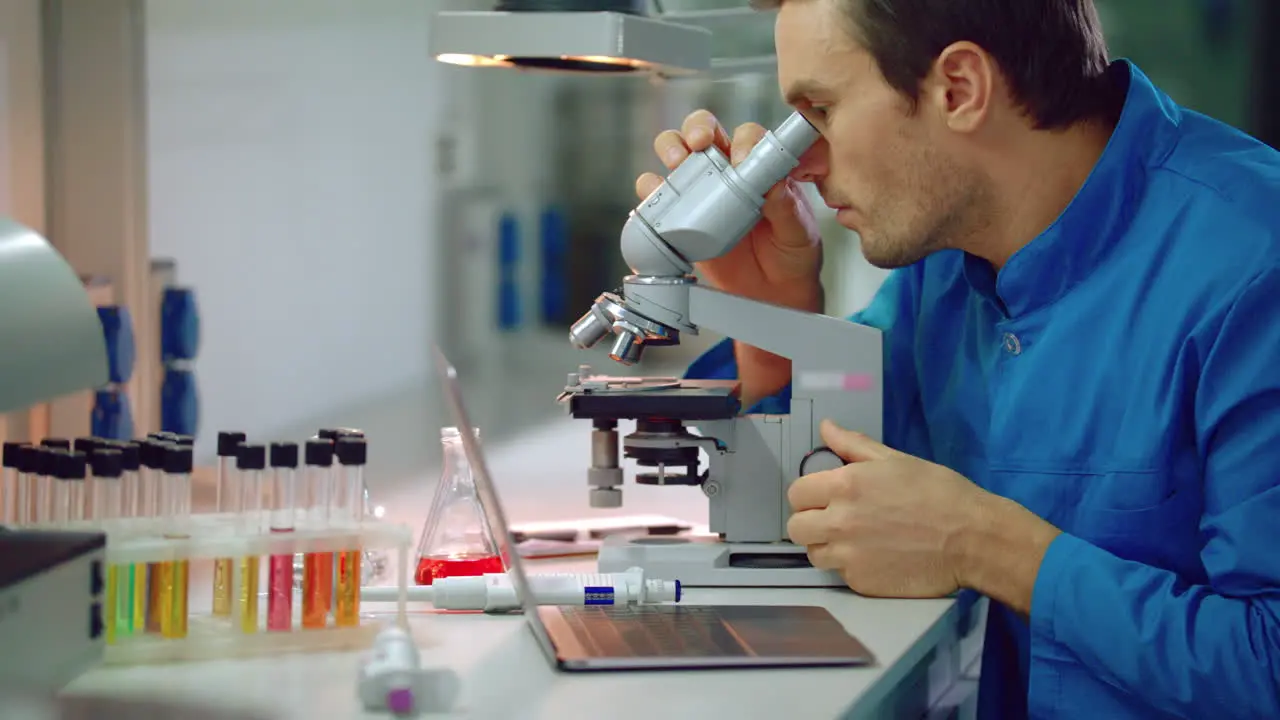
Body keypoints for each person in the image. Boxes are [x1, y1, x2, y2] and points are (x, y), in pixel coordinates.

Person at [636, 1, 1280, 718]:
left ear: (960, 89)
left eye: (820, 110)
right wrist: (773, 334)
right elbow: (818, 519)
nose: (805, 164)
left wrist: (987, 546)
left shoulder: (1255, 263)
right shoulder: (946, 271)